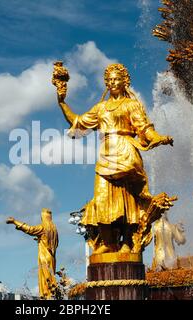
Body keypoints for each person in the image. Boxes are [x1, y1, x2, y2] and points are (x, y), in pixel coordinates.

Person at [54, 63, 175, 254]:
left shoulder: (131, 104)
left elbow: (144, 129)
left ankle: (127, 241)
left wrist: (158, 138)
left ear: (125, 81)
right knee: (101, 197)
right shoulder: (101, 108)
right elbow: (78, 122)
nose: (112, 83)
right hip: (106, 154)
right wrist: (61, 102)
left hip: (126, 152)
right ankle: (108, 241)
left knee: (128, 198)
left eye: (116, 79)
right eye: (108, 80)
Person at [6, 208, 59, 299]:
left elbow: (30, 229)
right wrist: (39, 240)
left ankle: (46, 298)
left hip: (44, 259)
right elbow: (50, 242)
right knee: (51, 281)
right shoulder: (53, 230)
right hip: (52, 258)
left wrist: (15, 221)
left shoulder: (43, 227)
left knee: (45, 283)